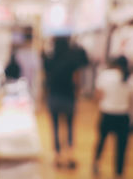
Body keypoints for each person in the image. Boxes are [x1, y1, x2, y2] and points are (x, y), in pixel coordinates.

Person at [42, 36, 88, 168]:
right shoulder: (72, 59)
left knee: (55, 127)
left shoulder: (50, 59)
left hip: (53, 96)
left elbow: (46, 77)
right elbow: (77, 78)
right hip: (69, 96)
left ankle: (58, 157)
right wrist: (77, 94)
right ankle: (70, 156)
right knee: (69, 127)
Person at [93, 56, 131, 179]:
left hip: (107, 113)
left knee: (101, 141)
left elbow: (98, 95)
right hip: (124, 116)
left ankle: (96, 163)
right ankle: (119, 173)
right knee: (121, 147)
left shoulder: (105, 75)